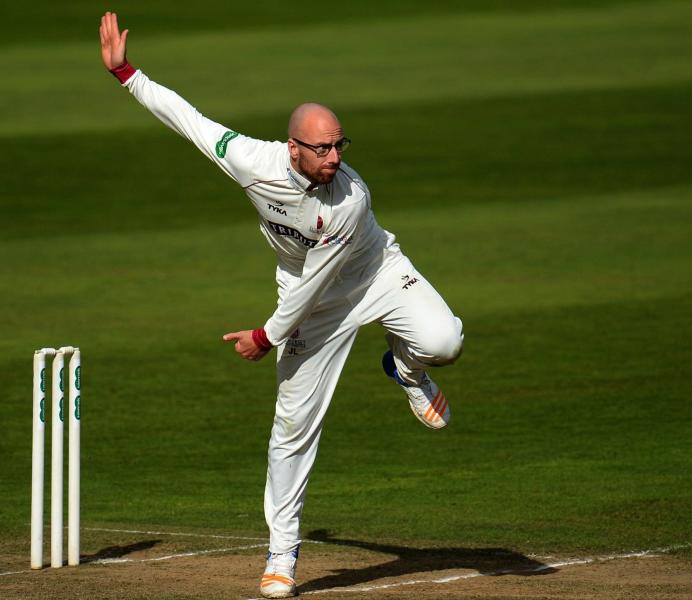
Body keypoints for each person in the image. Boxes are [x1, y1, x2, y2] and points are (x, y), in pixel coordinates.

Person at [99, 12, 464, 598]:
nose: (335, 158)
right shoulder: (251, 161)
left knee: (446, 341)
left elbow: (320, 279)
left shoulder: (349, 199)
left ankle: (405, 366)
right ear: (292, 148)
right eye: (322, 148)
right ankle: (281, 554)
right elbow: (190, 122)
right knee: (292, 428)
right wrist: (125, 72)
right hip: (307, 300)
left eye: (340, 145)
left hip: (372, 274)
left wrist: (265, 336)